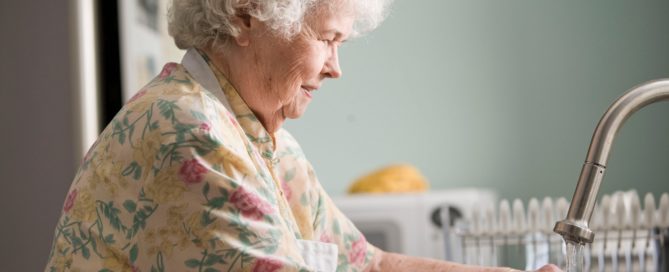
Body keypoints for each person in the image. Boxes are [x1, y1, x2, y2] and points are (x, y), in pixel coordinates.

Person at [45, 0, 562, 271]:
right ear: (247, 15)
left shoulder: (262, 139)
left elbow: (370, 264)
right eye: (327, 39)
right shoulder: (191, 134)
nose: (336, 68)